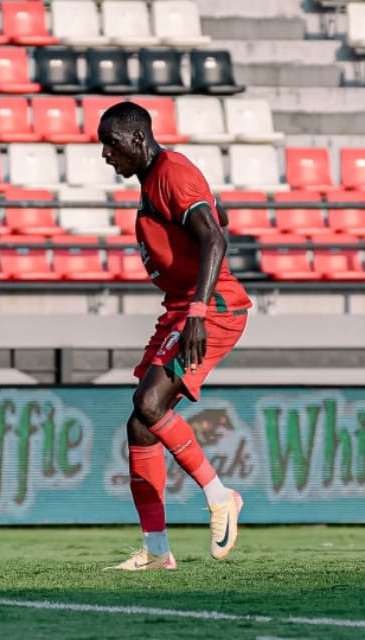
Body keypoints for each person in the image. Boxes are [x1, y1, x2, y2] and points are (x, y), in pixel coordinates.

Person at [97, 101, 250, 571]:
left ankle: (220, 495)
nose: (106, 155)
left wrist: (199, 314)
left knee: (149, 404)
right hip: (181, 309)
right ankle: (158, 550)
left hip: (211, 309)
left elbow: (215, 239)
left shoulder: (173, 173)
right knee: (140, 423)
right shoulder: (152, 184)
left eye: (112, 144)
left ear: (138, 139)